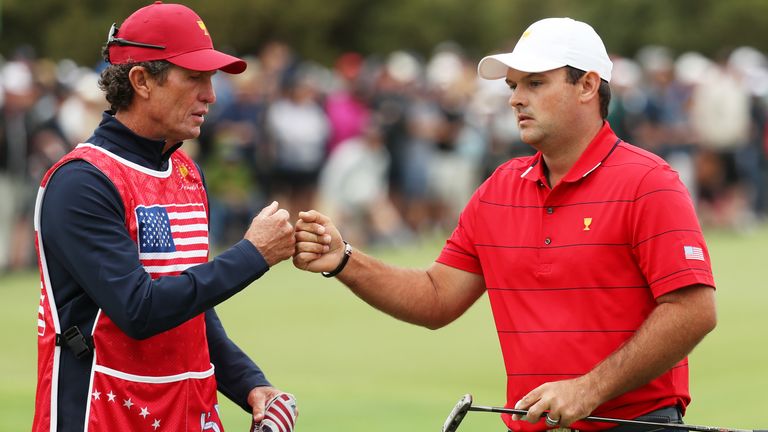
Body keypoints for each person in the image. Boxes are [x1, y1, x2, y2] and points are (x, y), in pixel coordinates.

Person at [294, 17, 717, 432]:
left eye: (535, 83)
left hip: (635, 425)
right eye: (513, 86)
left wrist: (589, 390)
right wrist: (345, 259)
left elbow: (693, 310)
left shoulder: (648, 182)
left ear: (587, 86)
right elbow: (436, 297)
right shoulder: (500, 187)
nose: (515, 99)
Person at [32, 3, 296, 431]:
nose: (210, 94)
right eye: (194, 77)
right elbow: (140, 310)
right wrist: (253, 255)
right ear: (141, 81)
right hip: (105, 416)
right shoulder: (82, 181)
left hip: (187, 412)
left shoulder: (187, 171)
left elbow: (191, 306)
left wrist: (249, 384)